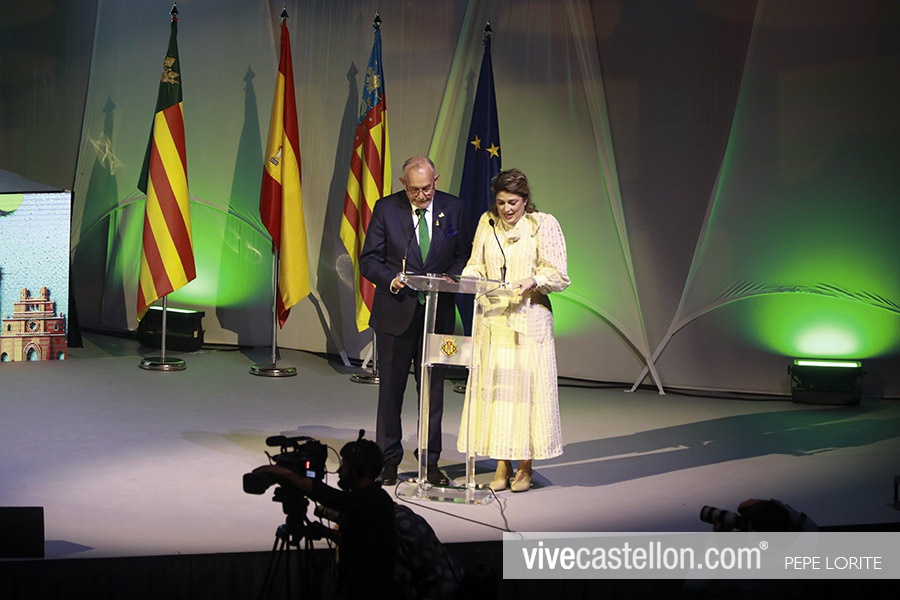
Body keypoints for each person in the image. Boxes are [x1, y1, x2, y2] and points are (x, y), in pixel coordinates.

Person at [457, 168, 570, 493]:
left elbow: (559, 274)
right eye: (501, 202)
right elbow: (476, 263)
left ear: (525, 200)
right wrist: (470, 278)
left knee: (525, 394)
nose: (506, 209)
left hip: (528, 320)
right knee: (498, 394)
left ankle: (524, 466)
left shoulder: (542, 224)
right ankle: (501, 463)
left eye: (513, 203)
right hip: (493, 320)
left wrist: (533, 280)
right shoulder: (487, 222)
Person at [360, 156, 470, 487]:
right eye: (414, 190)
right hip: (395, 313)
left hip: (438, 316)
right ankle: (388, 460)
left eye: (426, 188)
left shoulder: (454, 208)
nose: (421, 196)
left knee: (433, 392)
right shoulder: (386, 208)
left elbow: (463, 254)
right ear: (403, 184)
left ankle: (429, 462)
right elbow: (369, 260)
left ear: (436, 180)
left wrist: (451, 277)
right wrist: (391, 279)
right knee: (391, 392)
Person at [252, 434, 396, 600]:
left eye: (344, 466)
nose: (339, 471)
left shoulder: (373, 499)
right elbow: (359, 540)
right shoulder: (370, 498)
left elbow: (330, 497)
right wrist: (325, 532)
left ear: (358, 471)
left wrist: (287, 474)